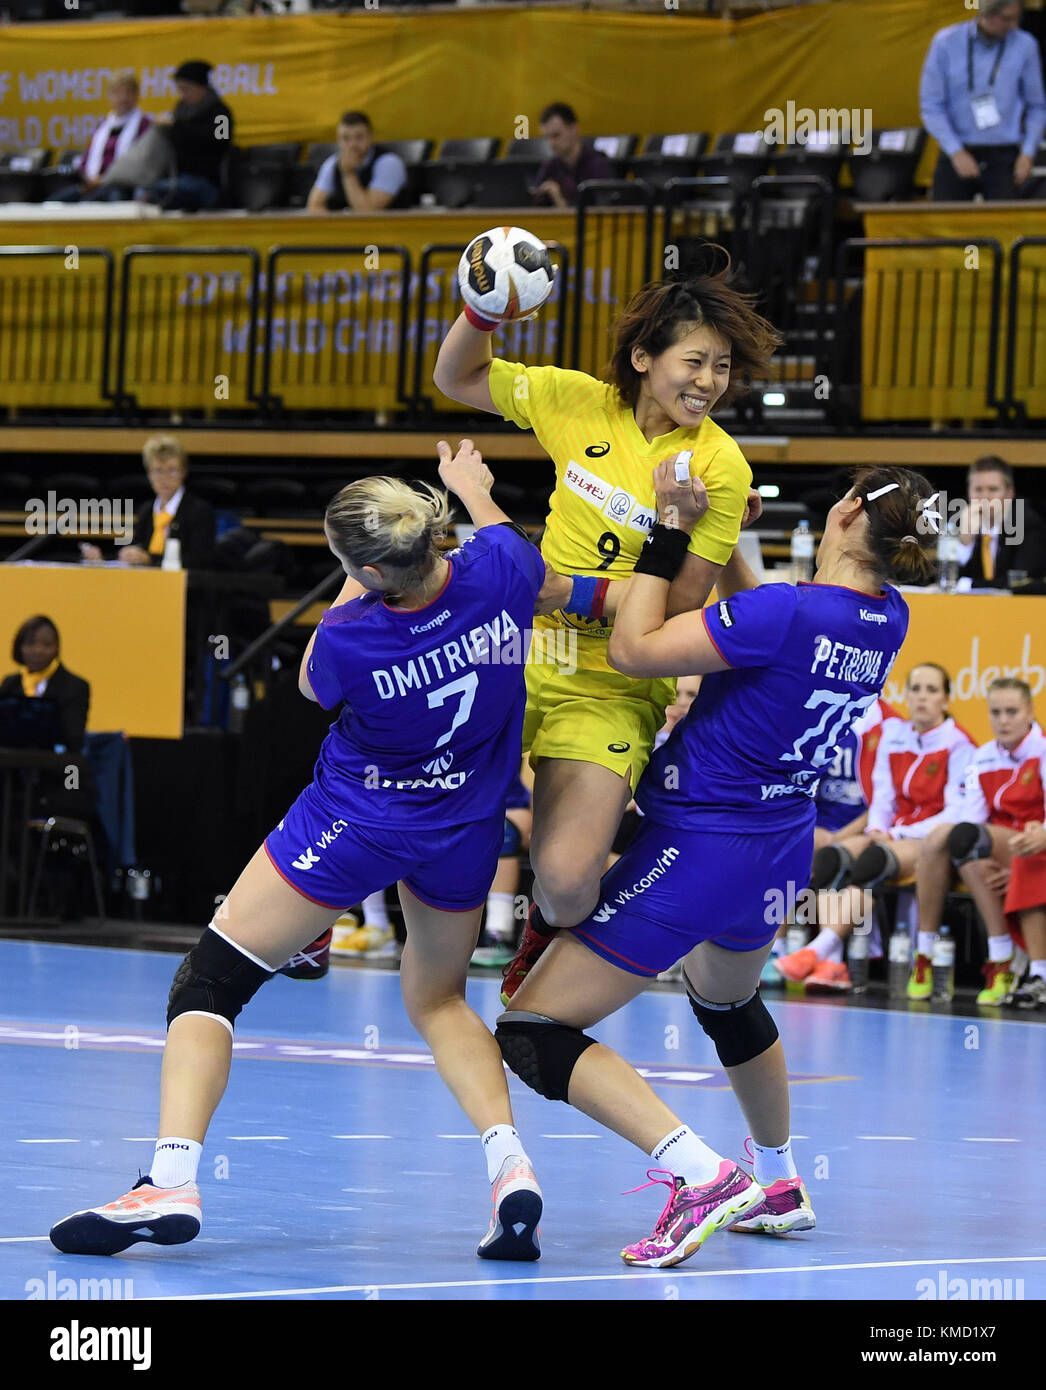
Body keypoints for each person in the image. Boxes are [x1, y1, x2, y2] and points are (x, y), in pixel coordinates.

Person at [50, 440, 553, 1263]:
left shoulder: (351, 635)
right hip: (463, 827)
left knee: (208, 984)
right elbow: (509, 550)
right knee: (438, 1002)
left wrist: (363, 582)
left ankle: (169, 1176)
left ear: (363, 568)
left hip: (357, 823)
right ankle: (511, 1167)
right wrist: (474, 490)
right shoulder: (502, 566)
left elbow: (313, 686)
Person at [497, 464, 934, 1268]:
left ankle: (697, 1173)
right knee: (729, 1005)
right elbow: (773, 617)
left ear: (843, 511)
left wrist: (671, 535)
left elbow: (634, 650)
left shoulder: (791, 612)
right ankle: (779, 1184)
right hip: (778, 848)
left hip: (702, 847)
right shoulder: (886, 615)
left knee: (531, 1029)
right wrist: (727, 536)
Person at [434, 263, 779, 1004]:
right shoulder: (575, 401)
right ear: (643, 358)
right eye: (694, 361)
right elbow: (457, 376)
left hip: (614, 682)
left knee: (563, 882)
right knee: (400, 771)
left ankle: (542, 932)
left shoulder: (719, 465)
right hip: (517, 652)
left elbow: (675, 607)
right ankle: (324, 899)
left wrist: (570, 590)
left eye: (721, 367)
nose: (709, 381)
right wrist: (483, 310)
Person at [776, 664, 975, 994]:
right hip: (892, 833)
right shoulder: (895, 734)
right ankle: (831, 963)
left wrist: (892, 834)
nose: (922, 697)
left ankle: (819, 950)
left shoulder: (959, 744)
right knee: (833, 858)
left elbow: (956, 811)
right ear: (907, 694)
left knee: (873, 861)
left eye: (931, 690)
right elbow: (882, 795)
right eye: (916, 689)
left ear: (946, 698)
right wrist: (880, 827)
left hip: (928, 839)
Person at [915, 677, 1046, 1007]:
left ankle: (1026, 969)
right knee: (963, 844)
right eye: (996, 712)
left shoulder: (1043, 750)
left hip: (1037, 844)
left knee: (1021, 849)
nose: (1003, 720)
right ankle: (998, 959)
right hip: (1006, 848)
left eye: (1012, 711)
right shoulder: (983, 757)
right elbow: (973, 818)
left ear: (1030, 711)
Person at [920, 0, 1046, 202]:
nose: (1013, 25)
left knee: (1005, 228)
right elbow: (931, 106)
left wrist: (1028, 153)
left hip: (1005, 157)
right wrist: (956, 151)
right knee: (947, 228)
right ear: (985, 13)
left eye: (1016, 18)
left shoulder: (1025, 45)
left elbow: (1037, 106)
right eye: (1006, 19)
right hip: (957, 152)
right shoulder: (946, 42)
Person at [82, 436, 215, 570]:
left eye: (172, 471)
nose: (165, 479)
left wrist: (149, 559)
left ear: (183, 472)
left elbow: (200, 562)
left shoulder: (199, 511)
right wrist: (103, 558)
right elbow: (136, 548)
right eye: (158, 471)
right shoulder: (146, 510)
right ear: (149, 474)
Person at [139, 60, 234, 212]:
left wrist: (178, 126)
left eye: (186, 89)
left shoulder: (220, 113)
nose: (182, 95)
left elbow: (220, 141)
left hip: (206, 181)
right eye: (179, 89)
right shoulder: (181, 110)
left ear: (202, 87)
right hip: (178, 177)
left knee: (152, 193)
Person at [49, 72, 151, 204]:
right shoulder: (102, 126)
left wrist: (103, 180)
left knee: (103, 199)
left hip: (121, 186)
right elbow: (85, 161)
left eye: (128, 93)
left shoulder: (144, 126)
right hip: (91, 185)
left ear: (136, 96)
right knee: (52, 203)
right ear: (109, 96)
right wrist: (88, 180)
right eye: (117, 93)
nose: (123, 98)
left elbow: (140, 164)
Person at [1, 616, 89, 754]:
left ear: (57, 648)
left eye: (47, 645)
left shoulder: (74, 686)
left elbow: (74, 739)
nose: (38, 651)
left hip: (56, 766)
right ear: (19, 647)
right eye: (30, 644)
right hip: (12, 767)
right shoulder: (10, 684)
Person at [956, 455, 1046, 587]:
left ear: (1010, 493)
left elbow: (1021, 583)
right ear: (969, 492)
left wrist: (965, 585)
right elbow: (942, 579)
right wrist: (965, 544)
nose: (985, 497)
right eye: (978, 489)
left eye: (993, 489)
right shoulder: (958, 522)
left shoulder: (1028, 524)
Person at [306, 111, 407, 214]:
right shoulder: (332, 163)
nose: (352, 144)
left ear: (370, 137)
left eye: (359, 137)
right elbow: (314, 206)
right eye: (346, 138)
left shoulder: (389, 163)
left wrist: (348, 173)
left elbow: (367, 213)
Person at [532, 102, 616, 208]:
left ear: (574, 129)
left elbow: (597, 215)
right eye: (547, 138)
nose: (551, 143)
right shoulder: (550, 166)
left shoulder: (598, 165)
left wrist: (557, 197)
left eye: (556, 135)